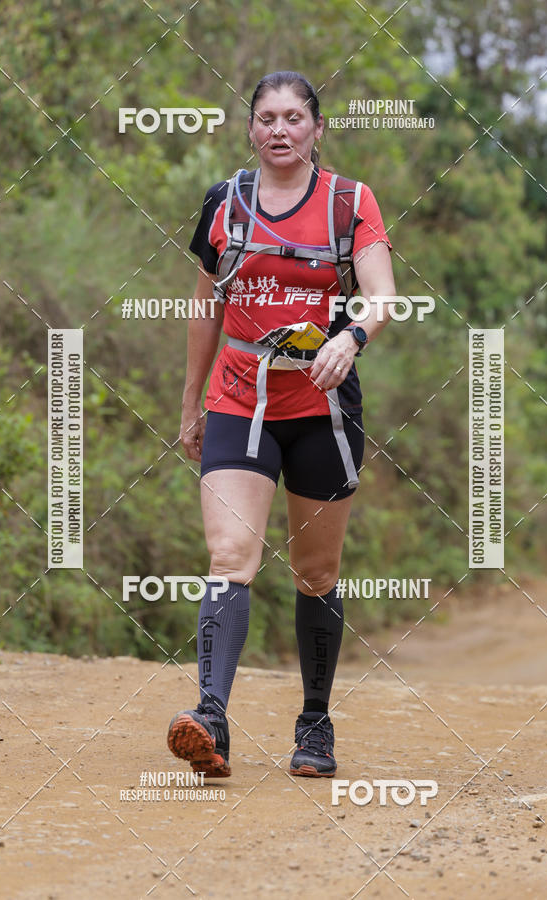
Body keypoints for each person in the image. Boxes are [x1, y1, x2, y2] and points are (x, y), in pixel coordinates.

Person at [167, 70, 396, 778]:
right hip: (240, 400)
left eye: (294, 117)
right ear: (251, 130)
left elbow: (382, 295)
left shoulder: (350, 203)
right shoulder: (224, 206)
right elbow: (205, 306)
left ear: (316, 130)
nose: (279, 129)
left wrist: (349, 337)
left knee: (315, 571)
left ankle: (315, 723)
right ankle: (209, 718)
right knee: (230, 553)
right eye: (266, 117)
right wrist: (191, 403)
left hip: (322, 408)